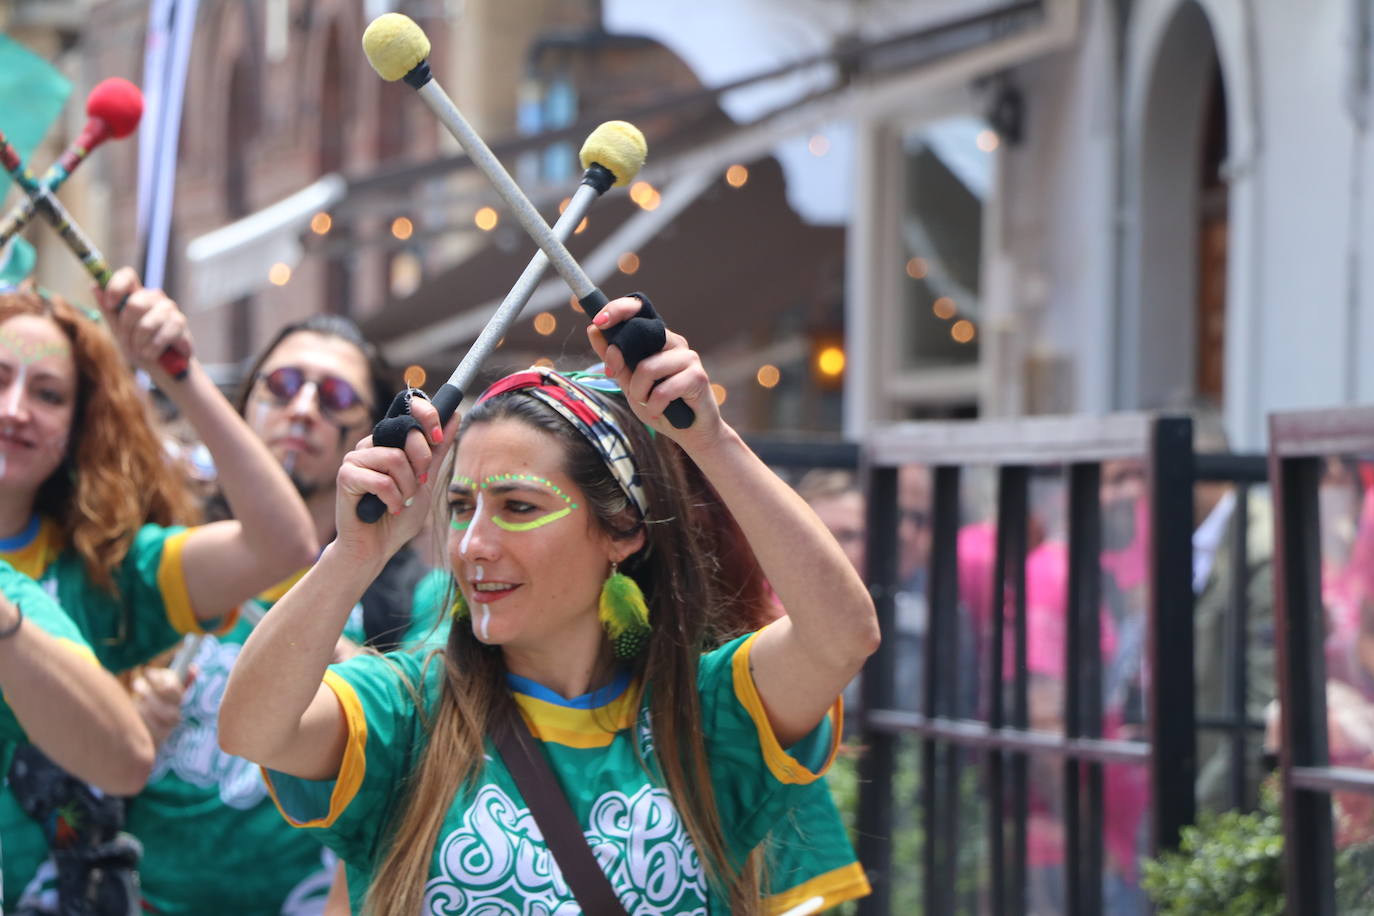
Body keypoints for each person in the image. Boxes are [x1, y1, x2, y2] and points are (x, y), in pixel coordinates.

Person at [220, 297, 879, 914]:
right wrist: (355, 554)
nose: (474, 544)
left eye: (519, 507)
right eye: (459, 508)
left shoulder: (704, 714)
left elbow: (843, 635)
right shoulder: (404, 710)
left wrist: (710, 439)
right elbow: (252, 731)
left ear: (622, 530)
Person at [0, 271, 317, 912]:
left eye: (49, 392)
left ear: (80, 426)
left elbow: (282, 545)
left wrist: (177, 372)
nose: (14, 408)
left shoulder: (108, 571)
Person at [123, 315, 445, 915]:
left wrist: (357, 667)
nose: (302, 410)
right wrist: (122, 706)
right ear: (245, 407)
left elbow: (430, 760)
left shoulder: (406, 604)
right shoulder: (164, 559)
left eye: (336, 397)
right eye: (283, 384)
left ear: (370, 434)